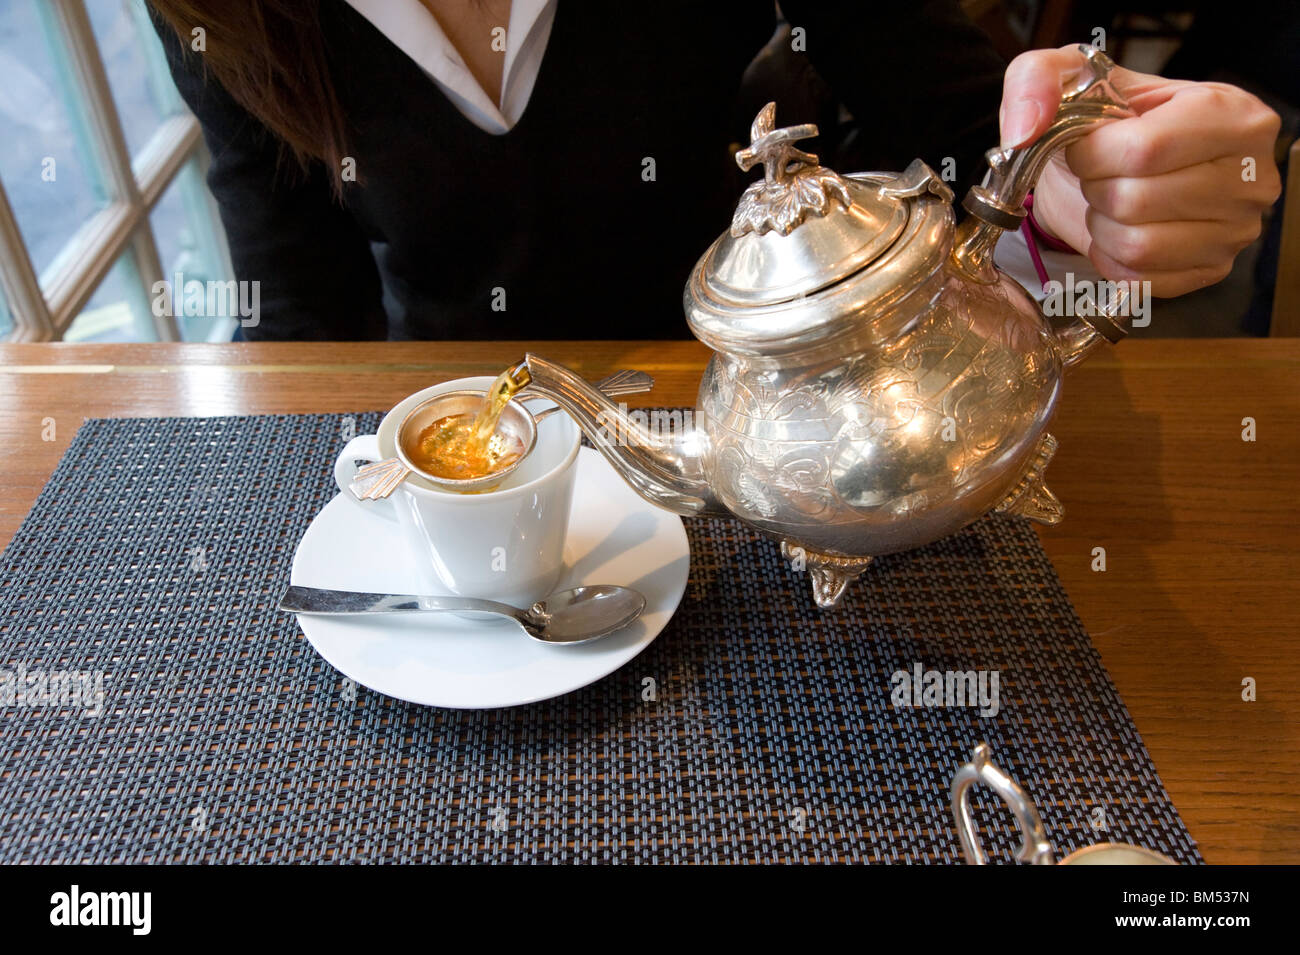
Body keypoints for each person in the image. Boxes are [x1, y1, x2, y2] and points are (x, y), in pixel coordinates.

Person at [147, 0, 1281, 341]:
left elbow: (951, 107)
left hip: (772, 396)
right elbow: (294, 305)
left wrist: (1069, 173)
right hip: (457, 439)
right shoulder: (218, 10)